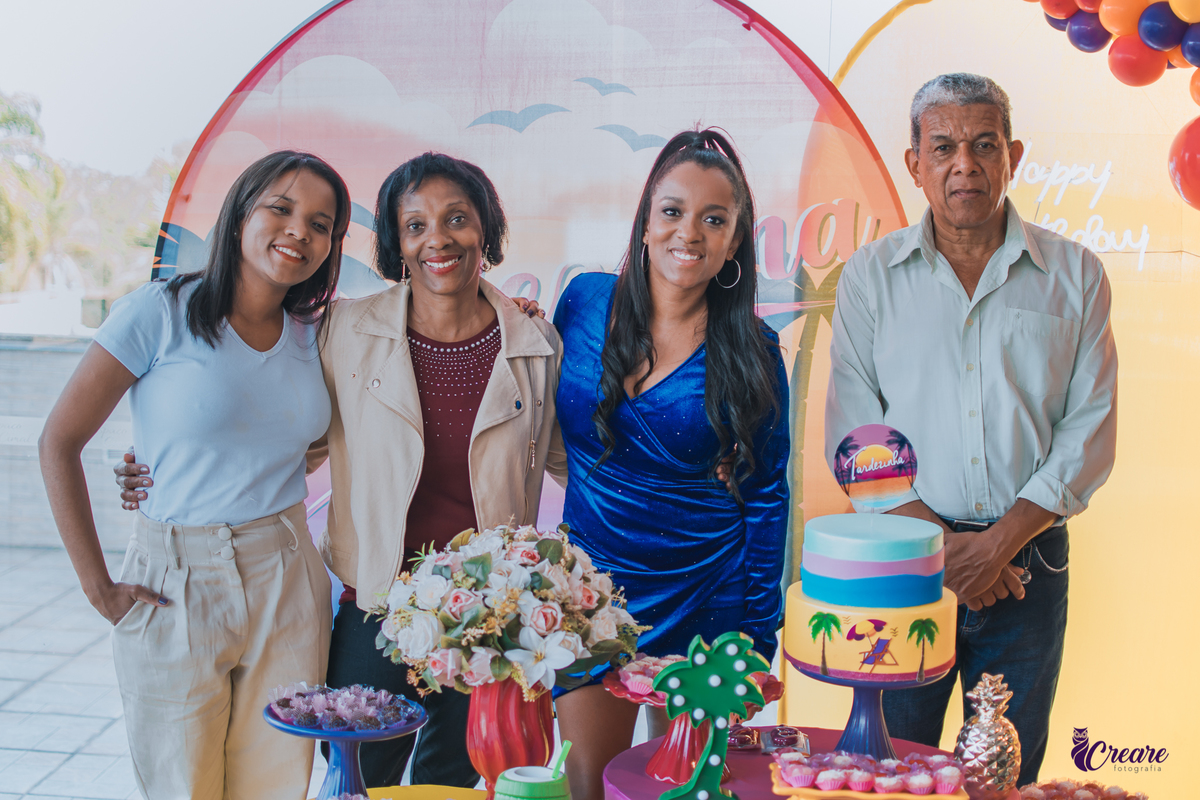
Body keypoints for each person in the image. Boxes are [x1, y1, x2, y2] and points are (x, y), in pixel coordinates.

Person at [121, 152, 564, 788]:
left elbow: (573, 465)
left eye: (457, 219)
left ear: (485, 230)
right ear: (395, 244)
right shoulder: (343, 331)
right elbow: (281, 434)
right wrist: (158, 466)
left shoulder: (534, 343)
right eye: (414, 226)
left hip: (490, 619)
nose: (437, 238)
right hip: (375, 607)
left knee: (461, 780)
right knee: (359, 779)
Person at [824, 73, 1117, 784]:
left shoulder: (1074, 275)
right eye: (945, 146)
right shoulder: (870, 277)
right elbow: (860, 432)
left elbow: (1090, 428)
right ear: (914, 163)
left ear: (1012, 156)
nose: (966, 164)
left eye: (985, 145)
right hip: (903, 565)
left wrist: (995, 548)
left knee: (1002, 771)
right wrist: (946, 552)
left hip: (1028, 564)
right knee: (887, 770)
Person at [40, 151, 352, 800]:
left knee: (276, 785)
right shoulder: (156, 312)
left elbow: (302, 445)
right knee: (184, 786)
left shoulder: (313, 336)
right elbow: (59, 441)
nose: (300, 231)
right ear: (240, 212)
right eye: (281, 208)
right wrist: (99, 589)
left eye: (321, 224)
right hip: (176, 580)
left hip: (288, 577)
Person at [551, 129, 790, 800]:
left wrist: (755, 638)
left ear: (736, 240)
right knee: (583, 787)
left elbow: (769, 495)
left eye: (714, 220)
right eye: (674, 211)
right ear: (647, 220)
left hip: (707, 594)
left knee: (683, 792)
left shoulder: (754, 349)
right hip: (589, 594)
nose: (690, 232)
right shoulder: (582, 301)